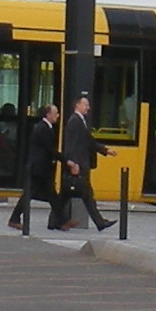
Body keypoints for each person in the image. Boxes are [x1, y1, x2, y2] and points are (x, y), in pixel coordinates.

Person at [58, 95, 111, 232]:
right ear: (77, 105)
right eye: (85, 104)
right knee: (86, 195)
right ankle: (100, 222)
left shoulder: (79, 121)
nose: (88, 107)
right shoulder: (75, 122)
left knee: (68, 196)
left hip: (79, 164)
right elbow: (71, 145)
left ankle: (54, 222)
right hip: (78, 165)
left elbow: (89, 142)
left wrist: (105, 150)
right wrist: (72, 164)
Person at [9, 102, 57, 233]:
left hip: (42, 168)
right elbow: (49, 149)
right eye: (55, 113)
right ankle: (14, 218)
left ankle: (61, 220)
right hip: (39, 168)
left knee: (51, 195)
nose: (57, 116)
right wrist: (66, 160)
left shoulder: (45, 127)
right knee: (31, 194)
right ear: (48, 114)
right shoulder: (42, 128)